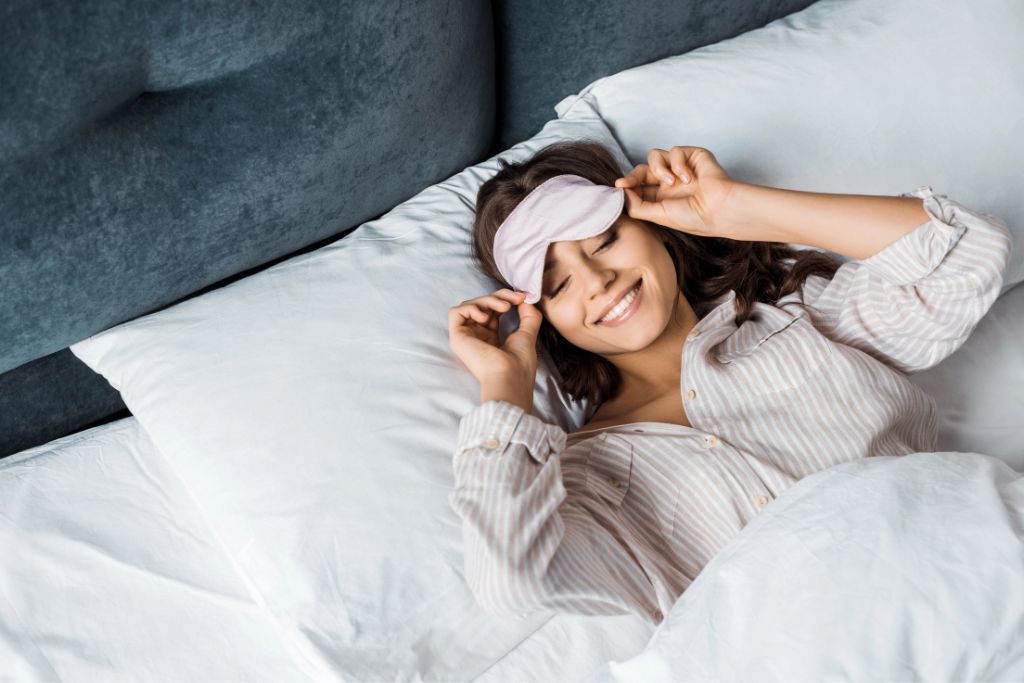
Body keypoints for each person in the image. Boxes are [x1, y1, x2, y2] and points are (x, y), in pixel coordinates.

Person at [446, 140, 1012, 625]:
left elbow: (970, 254)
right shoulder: (584, 478)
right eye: (559, 285)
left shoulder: (805, 317)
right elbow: (509, 583)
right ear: (542, 318)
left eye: (604, 240)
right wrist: (505, 385)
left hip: (977, 576)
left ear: (654, 228)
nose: (597, 280)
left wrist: (735, 208)